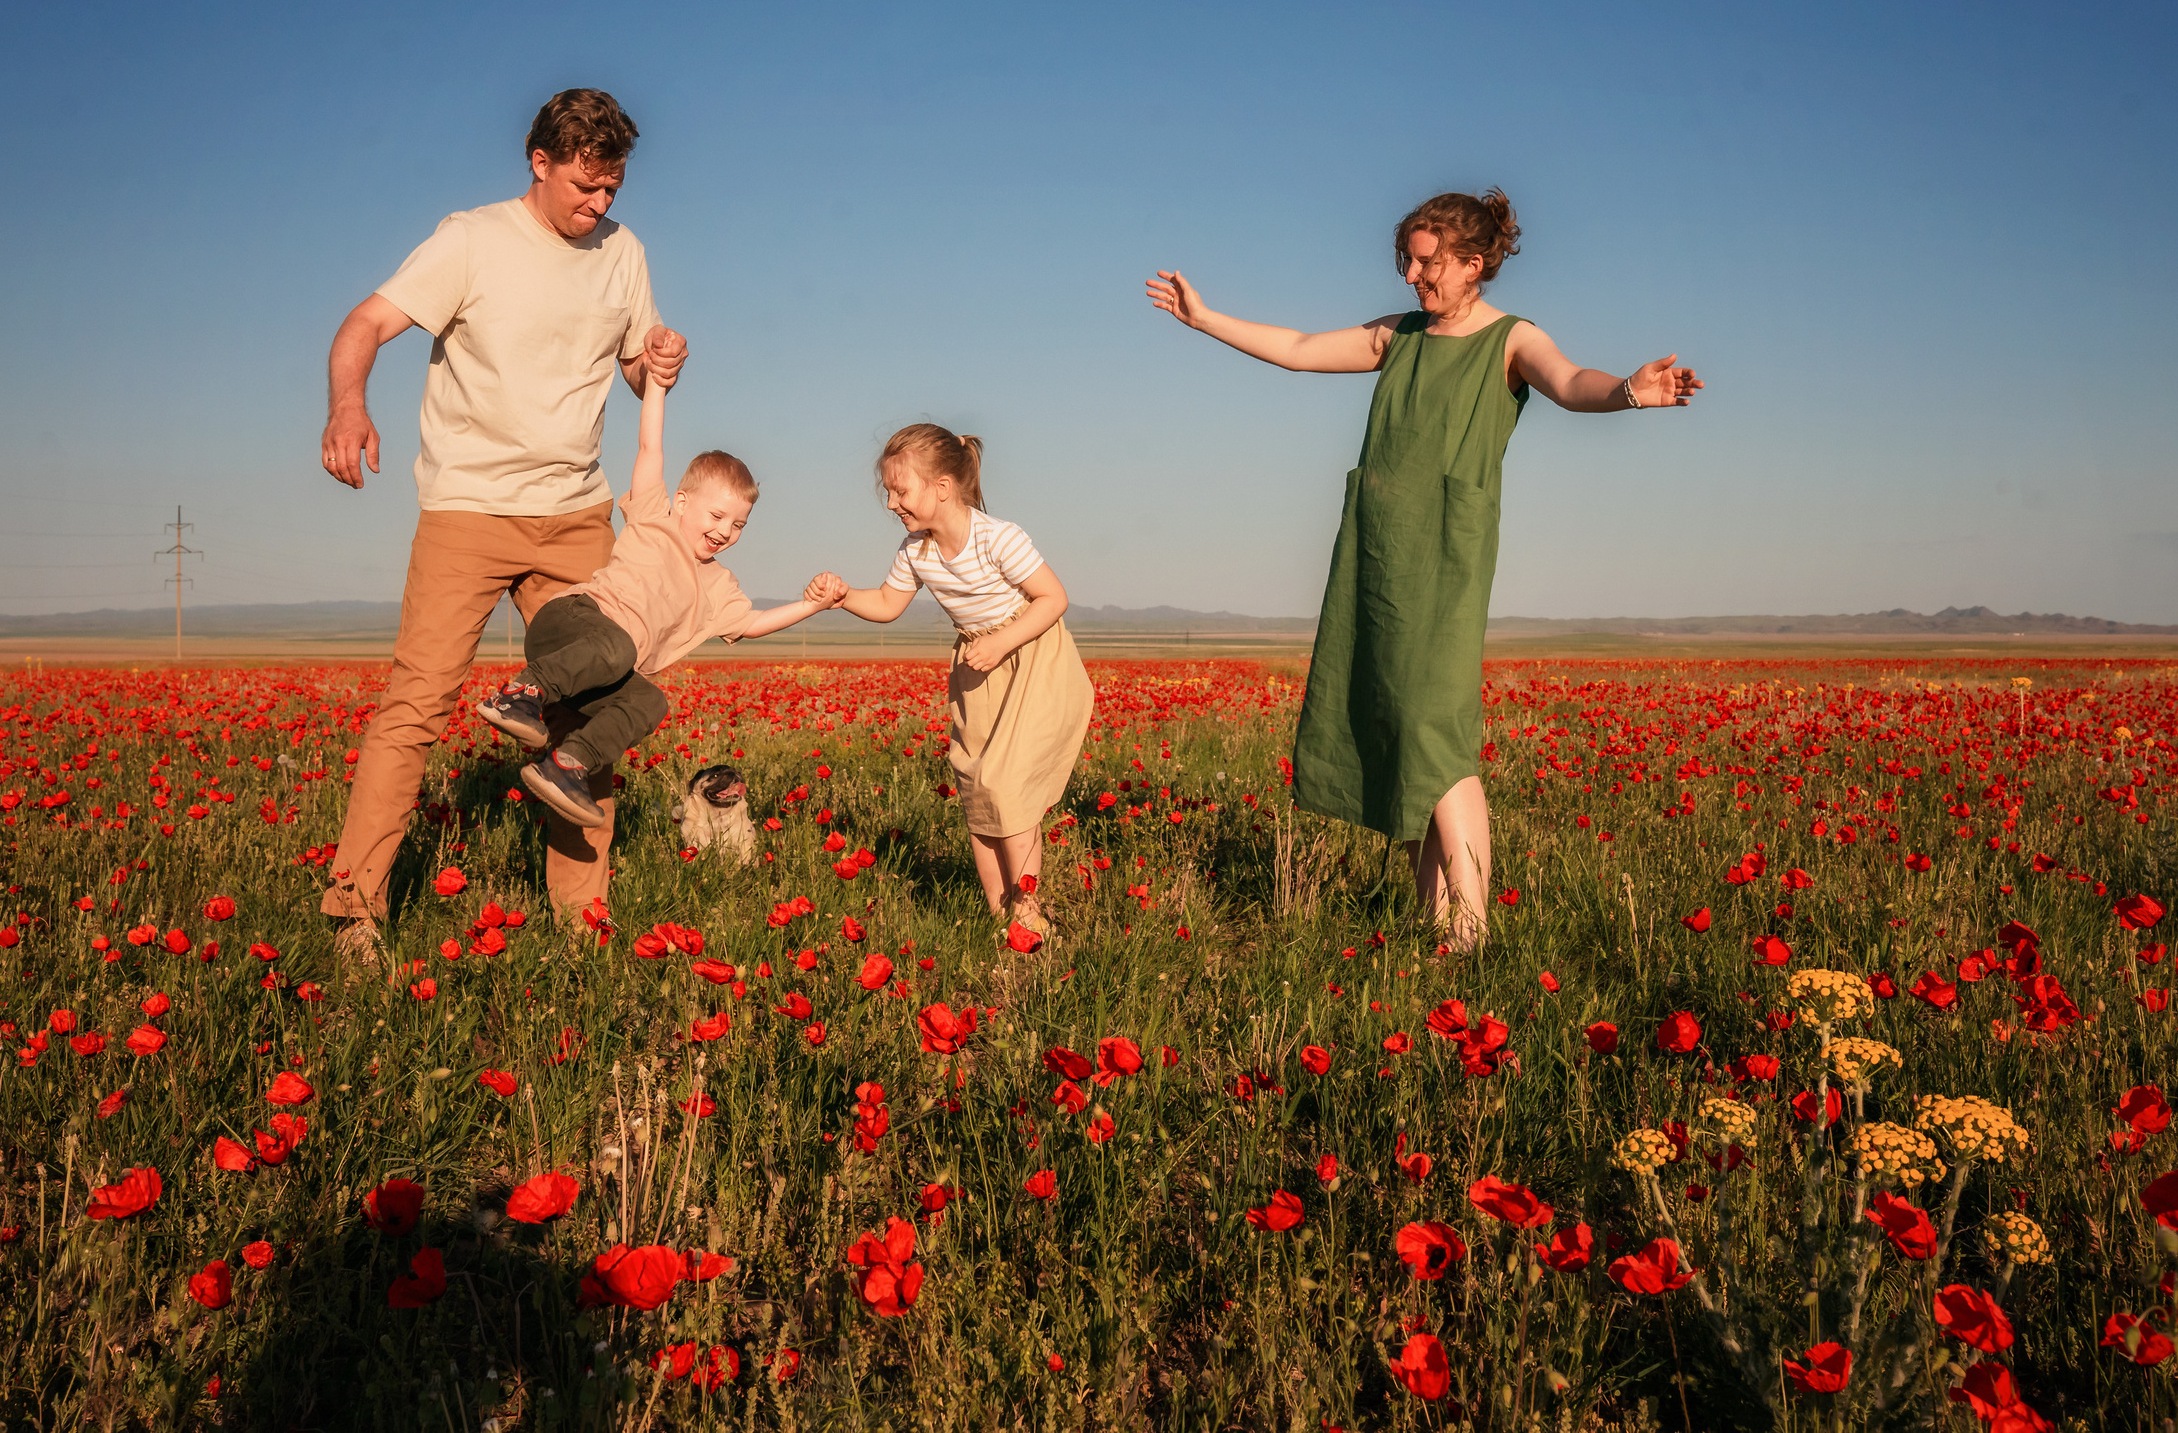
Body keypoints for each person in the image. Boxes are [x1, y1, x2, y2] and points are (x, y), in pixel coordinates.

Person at [1147, 190, 1700, 949]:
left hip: (1446, 549)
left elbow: (1572, 383)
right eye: (1406, 261)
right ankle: (1434, 925)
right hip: (1378, 545)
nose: (1412, 276)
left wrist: (1629, 393)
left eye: (1426, 262)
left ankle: (1471, 931)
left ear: (1472, 263)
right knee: (1397, 723)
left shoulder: (1511, 339)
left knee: (1434, 726)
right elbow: (1301, 347)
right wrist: (1205, 318)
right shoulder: (1398, 334)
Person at [317, 88, 686, 964]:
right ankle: (354, 913)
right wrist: (347, 405)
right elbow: (365, 322)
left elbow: (636, 368)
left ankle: (581, 923)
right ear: (540, 162)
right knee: (417, 705)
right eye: (586, 186)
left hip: (576, 515)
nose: (600, 203)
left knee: (591, 708)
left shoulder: (625, 252)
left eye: (613, 187)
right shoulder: (471, 240)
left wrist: (658, 360)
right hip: (469, 510)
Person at [474, 374, 831, 822]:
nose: (725, 530)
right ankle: (519, 693)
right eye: (717, 515)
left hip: (599, 673)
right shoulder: (652, 518)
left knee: (649, 701)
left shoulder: (718, 585)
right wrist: (657, 387)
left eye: (738, 524)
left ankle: (567, 766)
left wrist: (813, 605)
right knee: (618, 646)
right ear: (681, 502)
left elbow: (753, 623)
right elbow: (650, 449)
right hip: (568, 626)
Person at [808, 426, 1093, 936]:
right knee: (977, 787)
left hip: (1030, 658)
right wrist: (843, 596)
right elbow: (888, 604)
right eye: (888, 492)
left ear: (942, 487)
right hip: (976, 667)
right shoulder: (915, 551)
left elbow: (1054, 598)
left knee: (1009, 788)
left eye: (901, 491)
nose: (892, 503)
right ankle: (999, 916)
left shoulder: (998, 537)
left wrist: (1001, 642)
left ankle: (1029, 914)